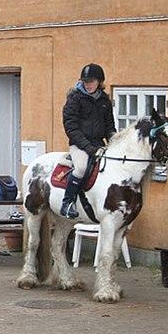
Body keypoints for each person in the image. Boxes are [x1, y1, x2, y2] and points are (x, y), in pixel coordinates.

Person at [61, 63, 116, 219]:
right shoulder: (75, 99)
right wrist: (88, 148)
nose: (89, 84)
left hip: (99, 144)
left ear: (99, 82)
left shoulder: (104, 100)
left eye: (92, 81)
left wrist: (115, 142)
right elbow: (71, 127)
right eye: (86, 81)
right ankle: (68, 202)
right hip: (79, 145)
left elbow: (109, 126)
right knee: (80, 168)